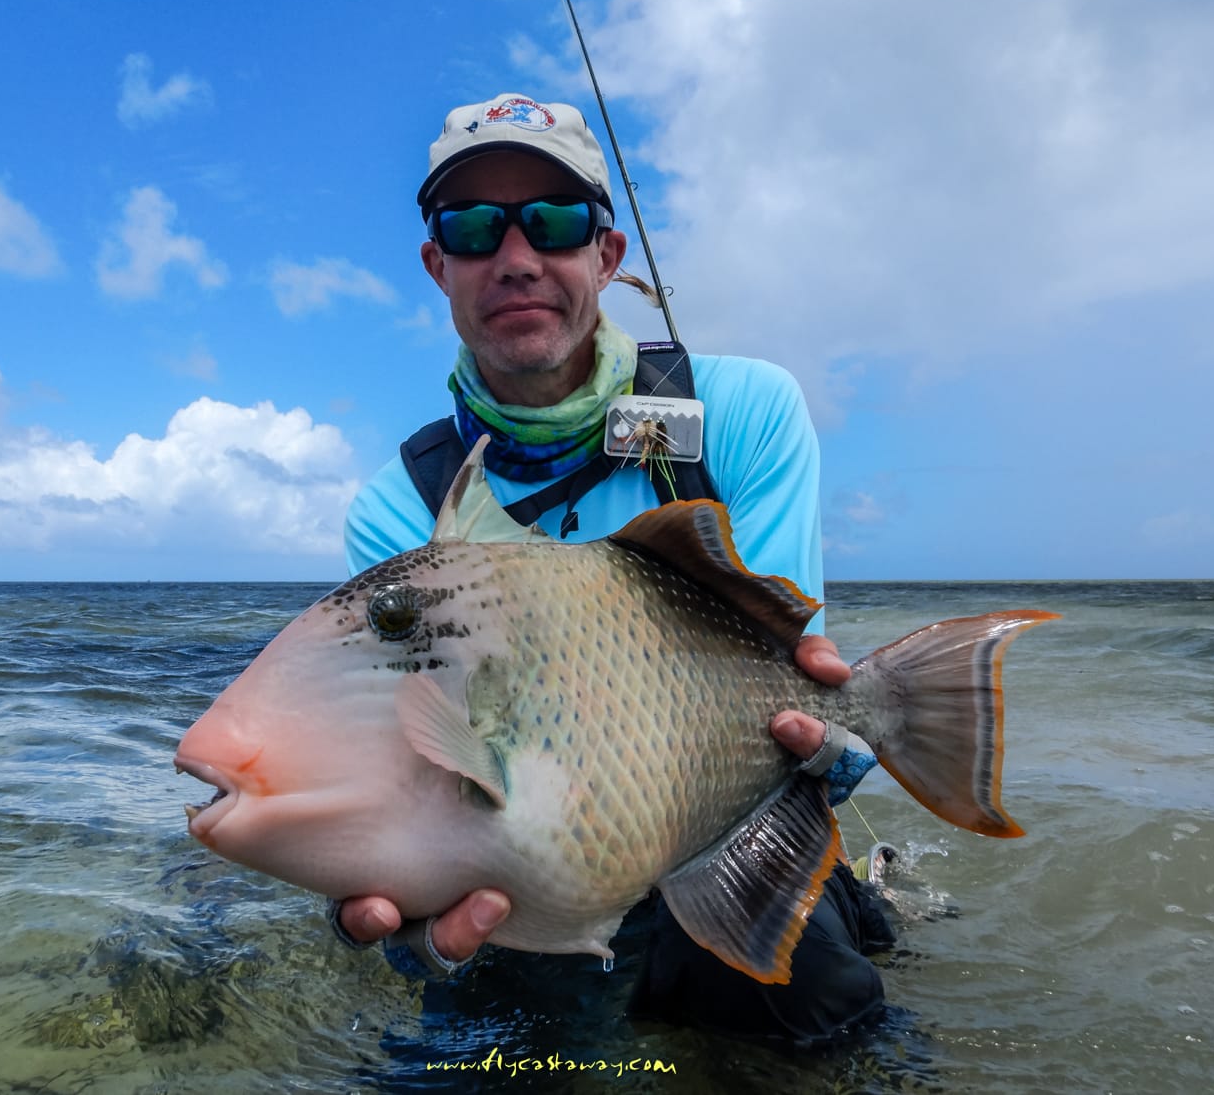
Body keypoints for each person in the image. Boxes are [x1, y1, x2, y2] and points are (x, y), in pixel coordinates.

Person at [334, 92, 893, 1046]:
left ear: (606, 253)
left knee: (824, 1028)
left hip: (723, 823)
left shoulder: (742, 411)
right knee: (457, 1055)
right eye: (472, 227)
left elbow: (783, 677)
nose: (516, 256)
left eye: (553, 221)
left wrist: (840, 736)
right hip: (540, 861)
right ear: (438, 265)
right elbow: (428, 745)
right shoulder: (402, 504)